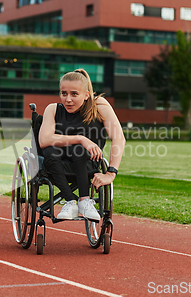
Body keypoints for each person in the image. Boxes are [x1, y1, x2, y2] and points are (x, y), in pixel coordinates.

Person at [38, 69, 125, 220]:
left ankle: (85, 201)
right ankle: (70, 201)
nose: (68, 99)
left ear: (86, 95)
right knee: (50, 151)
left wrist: (111, 173)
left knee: (79, 150)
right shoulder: (53, 109)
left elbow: (118, 138)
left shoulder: (99, 105)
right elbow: (44, 140)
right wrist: (80, 138)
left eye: (74, 94)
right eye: (63, 93)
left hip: (87, 165)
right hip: (56, 165)